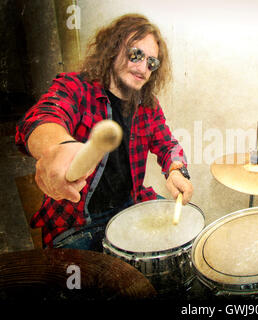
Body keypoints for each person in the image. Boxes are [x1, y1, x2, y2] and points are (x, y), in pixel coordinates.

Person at [15, 14, 193, 251]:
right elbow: (43, 116)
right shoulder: (76, 87)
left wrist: (176, 170)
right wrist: (55, 147)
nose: (143, 67)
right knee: (92, 284)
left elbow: (167, 144)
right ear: (113, 48)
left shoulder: (148, 106)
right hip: (75, 224)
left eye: (152, 62)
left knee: (187, 234)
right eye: (136, 55)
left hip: (129, 207)